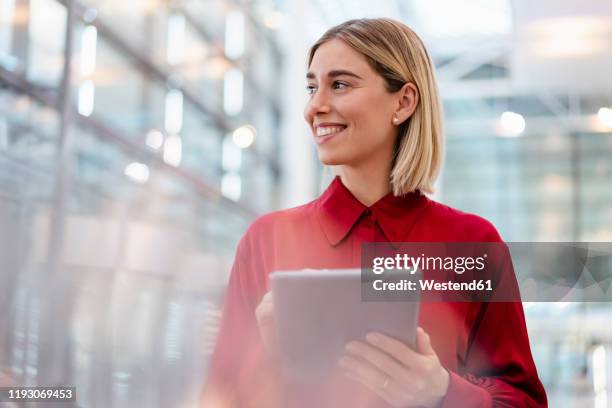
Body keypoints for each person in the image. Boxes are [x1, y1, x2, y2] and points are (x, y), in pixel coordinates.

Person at [201, 18, 547, 407]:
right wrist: (265, 358)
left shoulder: (471, 244)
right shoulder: (266, 239)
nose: (315, 106)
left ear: (404, 102)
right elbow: (221, 395)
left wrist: (442, 391)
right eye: (312, 87)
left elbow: (523, 402)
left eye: (340, 84)